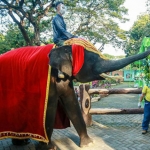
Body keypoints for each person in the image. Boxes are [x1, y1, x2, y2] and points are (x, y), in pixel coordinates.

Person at [52, 1, 77, 78]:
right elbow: (61, 30)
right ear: (57, 8)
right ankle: (60, 70)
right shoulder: (56, 18)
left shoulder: (61, 18)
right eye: (61, 7)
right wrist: (72, 36)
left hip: (64, 38)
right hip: (59, 39)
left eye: (64, 7)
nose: (63, 8)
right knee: (64, 48)